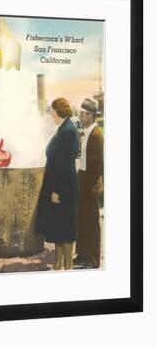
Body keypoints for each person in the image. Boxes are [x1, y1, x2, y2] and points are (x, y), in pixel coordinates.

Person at [35, 98, 80, 270]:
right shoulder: (63, 128)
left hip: (64, 188)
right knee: (60, 229)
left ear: (57, 110)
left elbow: (64, 166)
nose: (50, 114)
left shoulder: (68, 131)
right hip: (62, 186)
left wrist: (56, 191)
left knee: (66, 232)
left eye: (51, 110)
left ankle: (67, 268)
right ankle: (58, 264)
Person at [75, 98, 104, 268]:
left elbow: (100, 162)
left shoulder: (97, 135)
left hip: (91, 181)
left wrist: (100, 180)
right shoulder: (87, 132)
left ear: (91, 116)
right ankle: (82, 254)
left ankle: (92, 259)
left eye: (83, 114)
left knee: (91, 220)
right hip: (83, 179)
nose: (80, 116)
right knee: (83, 218)